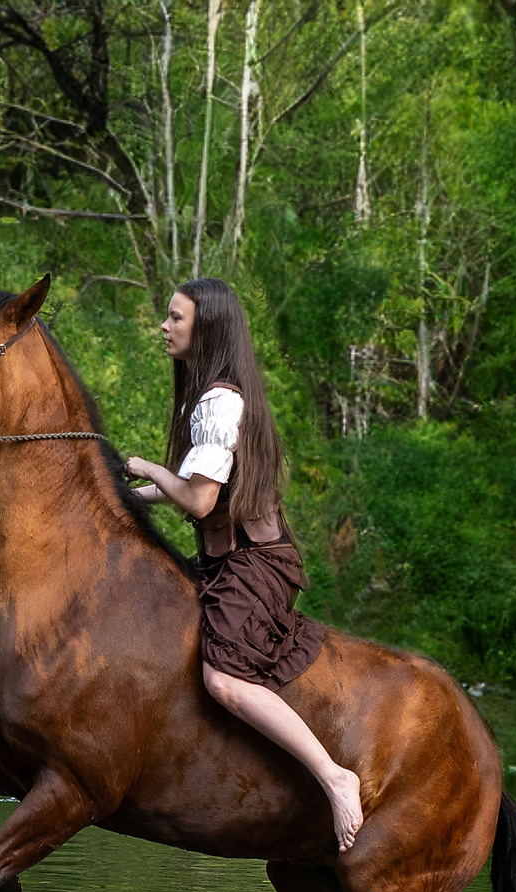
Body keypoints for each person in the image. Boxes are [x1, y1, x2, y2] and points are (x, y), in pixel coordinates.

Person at [124, 279, 364, 852]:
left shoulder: (220, 402)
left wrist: (149, 469)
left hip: (254, 566)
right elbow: (198, 490)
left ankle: (335, 777)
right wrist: (124, 494)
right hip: (221, 563)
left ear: (204, 327)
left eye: (175, 317)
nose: (164, 325)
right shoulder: (201, 397)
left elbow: (200, 500)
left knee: (225, 681)